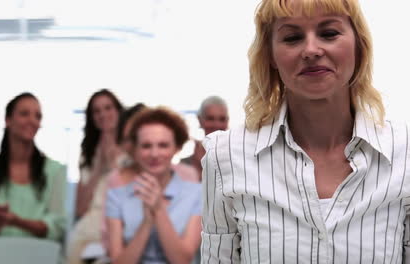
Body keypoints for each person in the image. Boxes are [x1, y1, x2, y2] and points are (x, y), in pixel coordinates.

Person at [201, 0, 410, 263]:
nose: (311, 50)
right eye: (292, 37)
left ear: (359, 44)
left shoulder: (405, 154)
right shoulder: (226, 156)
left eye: (329, 33)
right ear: (270, 55)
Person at [106, 107, 202, 264]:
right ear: (135, 150)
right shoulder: (116, 196)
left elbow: (183, 260)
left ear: (176, 148)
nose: (154, 154)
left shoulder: (197, 194)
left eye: (163, 145)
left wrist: (158, 209)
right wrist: (147, 222)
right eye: (146, 146)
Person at [0, 92, 67, 242]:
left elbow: (57, 229)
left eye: (37, 116)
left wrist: (17, 222)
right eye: (24, 114)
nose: (32, 121)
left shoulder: (56, 171)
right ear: (8, 120)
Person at [74, 89, 124, 220]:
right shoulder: (87, 156)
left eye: (108, 108)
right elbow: (80, 210)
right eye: (96, 111)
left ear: (118, 111)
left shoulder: (134, 151)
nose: (103, 114)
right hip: (92, 224)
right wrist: (98, 168)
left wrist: (113, 163)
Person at [180, 95, 229, 178]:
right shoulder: (184, 165)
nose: (216, 125)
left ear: (228, 121)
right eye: (210, 119)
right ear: (200, 120)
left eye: (222, 119)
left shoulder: (239, 158)